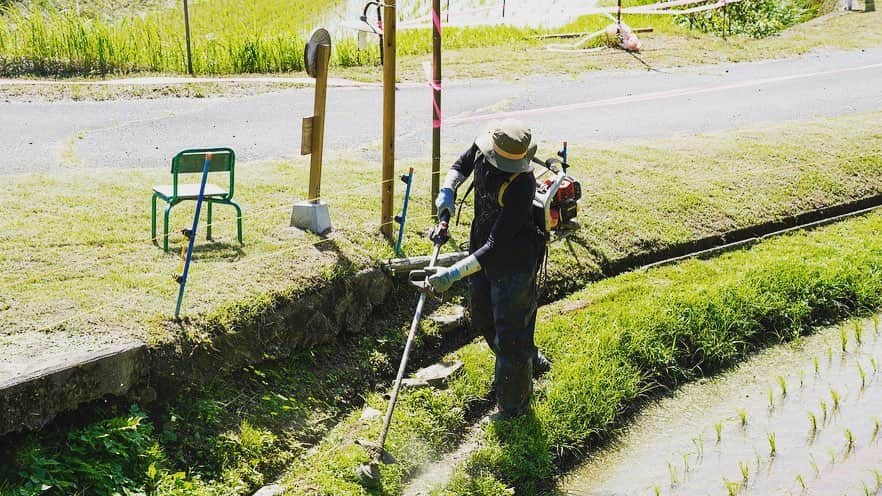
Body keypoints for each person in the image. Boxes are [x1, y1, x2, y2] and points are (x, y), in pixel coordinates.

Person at [427, 119, 549, 418]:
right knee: (482, 317)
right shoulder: (485, 149)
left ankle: (514, 410)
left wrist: (452, 274)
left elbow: (497, 245)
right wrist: (448, 191)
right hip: (480, 249)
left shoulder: (522, 184)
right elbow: (461, 164)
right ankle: (529, 359)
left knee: (510, 336)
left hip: (514, 263)